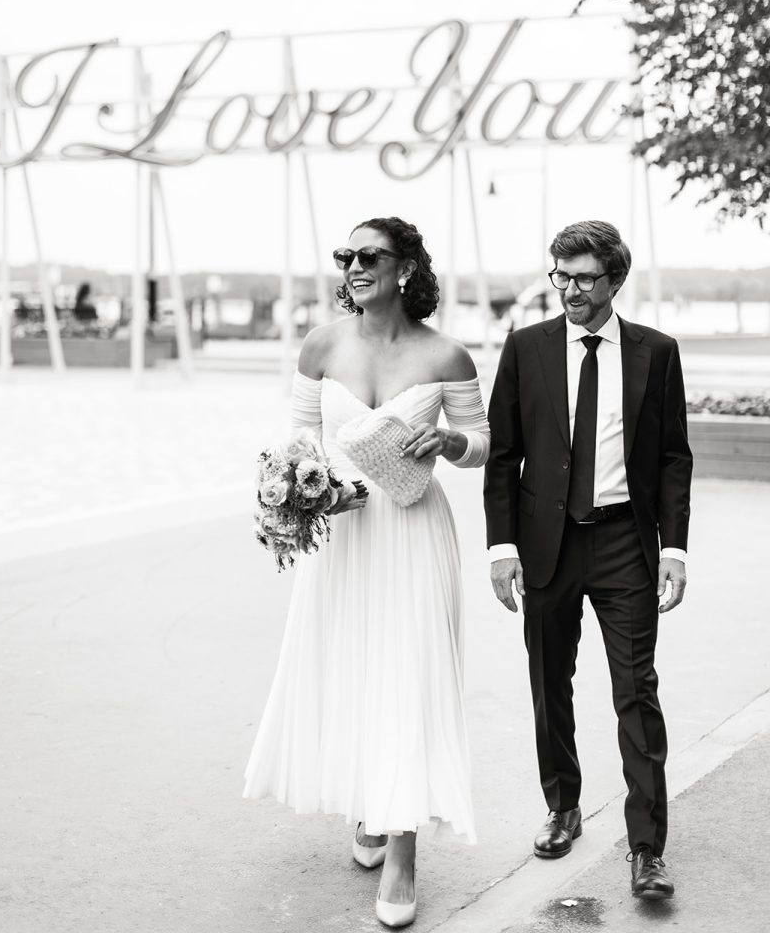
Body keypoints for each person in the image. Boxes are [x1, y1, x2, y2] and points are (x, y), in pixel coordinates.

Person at [244, 216, 490, 928]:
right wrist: (306, 491)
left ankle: (405, 850)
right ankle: (371, 806)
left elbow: (484, 443)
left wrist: (448, 439)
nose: (354, 265)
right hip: (346, 535)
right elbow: (294, 444)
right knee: (354, 671)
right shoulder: (321, 345)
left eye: (369, 255)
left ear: (406, 268)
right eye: (345, 255)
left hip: (414, 530)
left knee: (409, 678)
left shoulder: (447, 354)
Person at [484, 220, 692, 902]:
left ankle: (646, 849)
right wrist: (502, 545)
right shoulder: (525, 347)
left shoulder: (657, 353)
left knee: (637, 692)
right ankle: (563, 807)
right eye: (561, 276)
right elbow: (503, 454)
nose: (570, 289)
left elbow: (671, 459)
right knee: (551, 685)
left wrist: (675, 548)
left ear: (615, 280)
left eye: (583, 278)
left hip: (624, 546)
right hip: (547, 544)